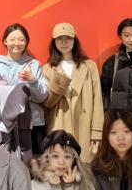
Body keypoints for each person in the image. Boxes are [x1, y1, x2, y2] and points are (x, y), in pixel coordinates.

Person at [41, 23, 105, 163]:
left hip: (84, 125)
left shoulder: (89, 66)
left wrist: (97, 131)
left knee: (84, 167)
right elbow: (47, 103)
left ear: (75, 40)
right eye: (60, 39)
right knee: (60, 164)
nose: (64, 42)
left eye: (68, 38)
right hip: (59, 122)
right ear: (54, 42)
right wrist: (60, 83)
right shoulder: (47, 68)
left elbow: (97, 100)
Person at [0, 23, 50, 158]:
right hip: (5, 126)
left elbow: (42, 97)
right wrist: (15, 92)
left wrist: (33, 81)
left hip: (33, 125)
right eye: (12, 39)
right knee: (7, 165)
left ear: (26, 42)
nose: (17, 43)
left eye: (21, 39)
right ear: (5, 41)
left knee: (33, 165)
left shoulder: (34, 65)